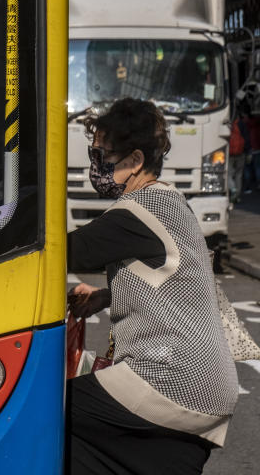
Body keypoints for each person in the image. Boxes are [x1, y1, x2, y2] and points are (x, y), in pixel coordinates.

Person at [66, 98, 238, 474]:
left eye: (102, 155)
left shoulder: (135, 213)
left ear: (135, 160)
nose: (96, 165)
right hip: (207, 384)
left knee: (46, 409)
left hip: (169, 378)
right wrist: (104, 297)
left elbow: (64, 252)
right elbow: (179, 280)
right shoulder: (170, 201)